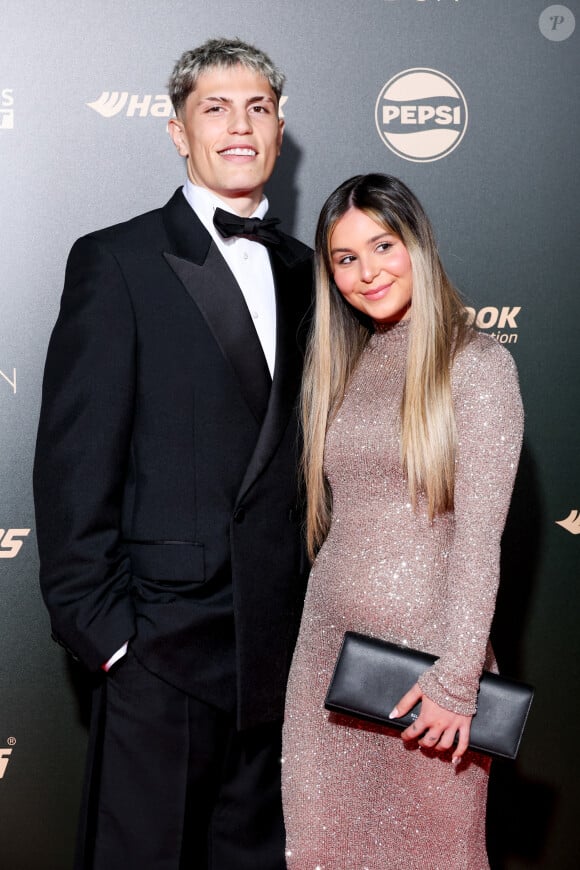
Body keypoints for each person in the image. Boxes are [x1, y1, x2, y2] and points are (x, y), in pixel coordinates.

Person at [33, 37, 311, 870]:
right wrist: (109, 637)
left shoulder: (308, 272)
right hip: (161, 649)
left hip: (282, 655)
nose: (239, 126)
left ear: (279, 127)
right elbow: (73, 465)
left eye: (257, 108)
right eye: (215, 108)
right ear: (177, 132)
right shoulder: (115, 261)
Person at [281, 173, 524, 869]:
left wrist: (456, 682)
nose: (367, 272)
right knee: (323, 854)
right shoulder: (345, 366)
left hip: (429, 678)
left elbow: (479, 542)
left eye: (382, 245)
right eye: (345, 258)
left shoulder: (477, 368)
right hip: (326, 665)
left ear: (417, 243)